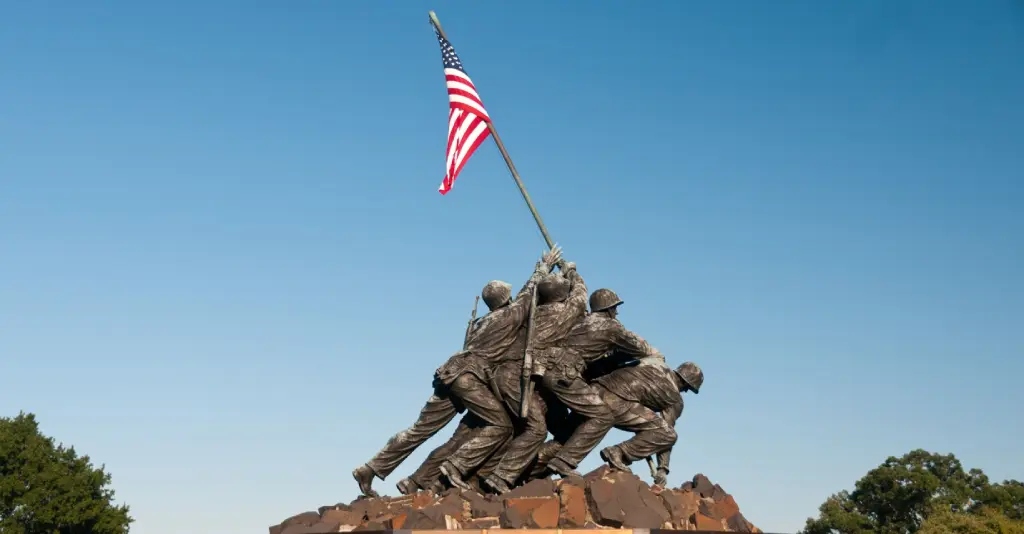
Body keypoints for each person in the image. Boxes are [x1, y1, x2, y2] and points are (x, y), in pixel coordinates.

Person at [350, 248, 561, 497]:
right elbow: (529, 295)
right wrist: (543, 267)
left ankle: (371, 467)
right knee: (502, 426)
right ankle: (454, 468)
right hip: (467, 378)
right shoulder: (508, 316)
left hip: (449, 373)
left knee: (420, 429)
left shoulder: (482, 322)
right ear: (506, 298)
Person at [527, 288, 663, 480]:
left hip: (548, 371)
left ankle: (529, 470)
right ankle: (564, 461)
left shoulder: (582, 322)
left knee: (568, 430)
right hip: (565, 373)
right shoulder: (611, 327)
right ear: (608, 309)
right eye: (615, 308)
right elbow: (639, 348)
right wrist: (655, 355)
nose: (616, 312)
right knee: (603, 416)